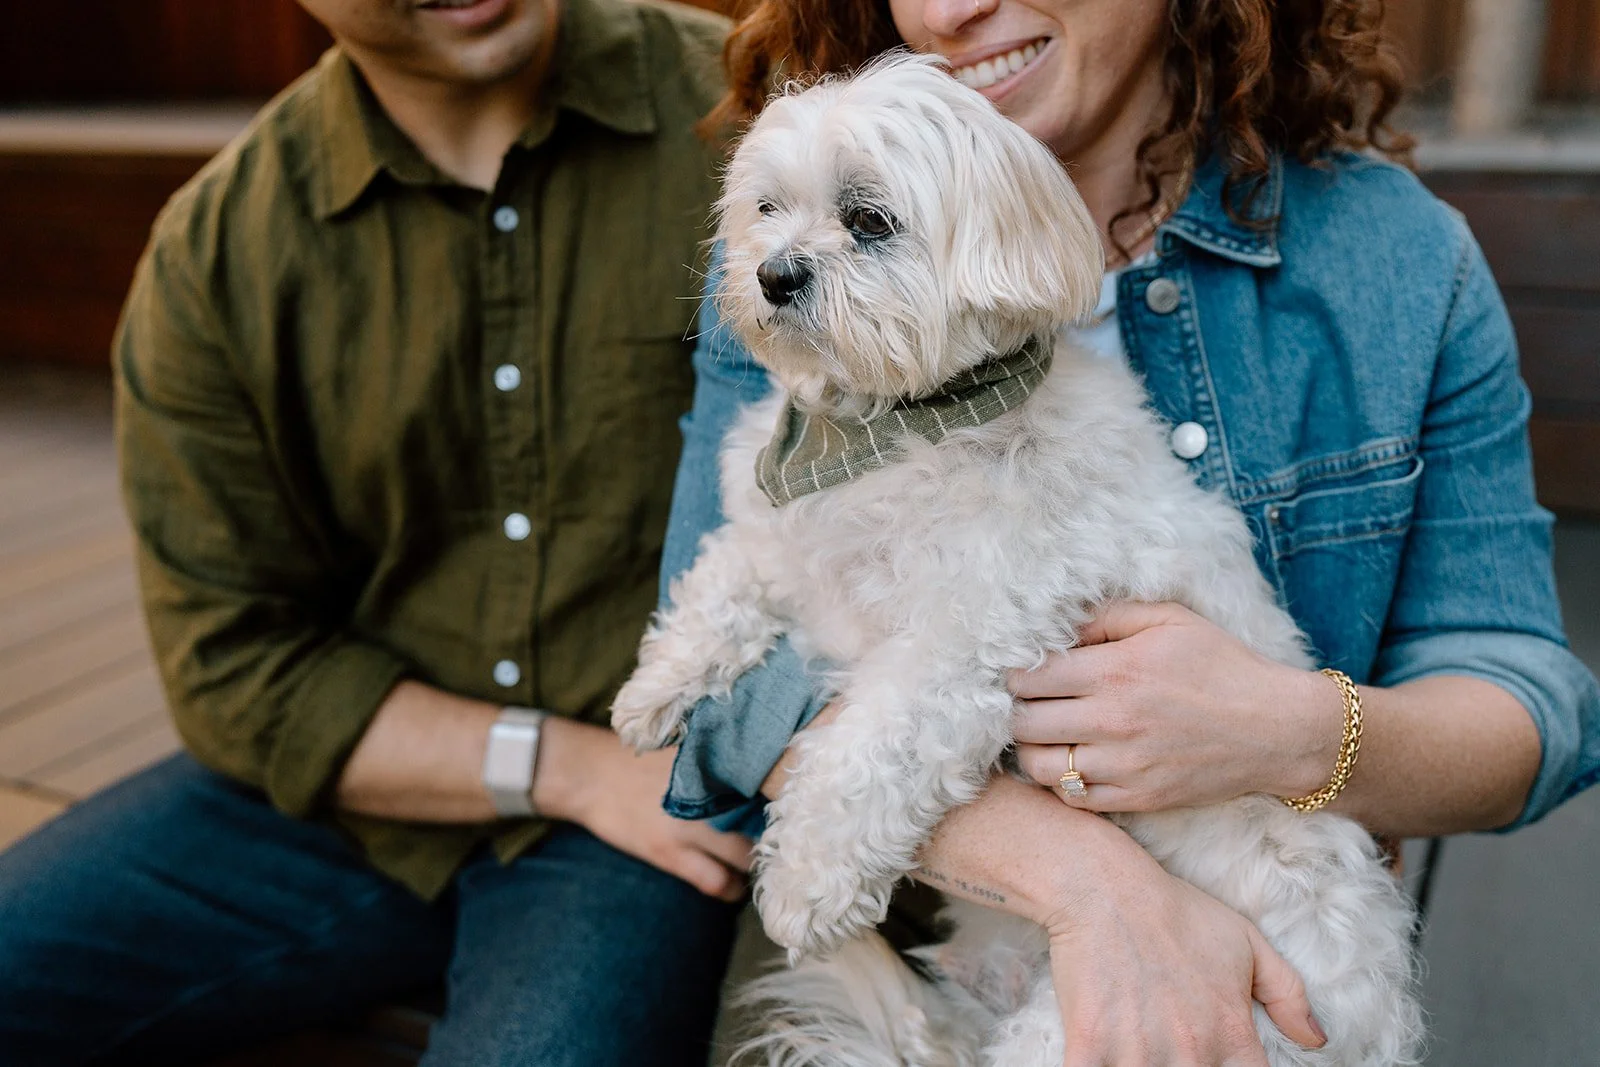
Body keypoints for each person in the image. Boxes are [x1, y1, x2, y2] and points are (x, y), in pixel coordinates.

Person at [659, 0, 1600, 1062]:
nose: (946, 12)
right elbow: (725, 684)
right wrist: (1094, 888)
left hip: (1269, 929)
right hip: (910, 931)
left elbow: (1527, 702)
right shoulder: (789, 256)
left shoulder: (1396, 262)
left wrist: (1284, 730)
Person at [0, 0, 753, 1064]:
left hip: (650, 806)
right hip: (362, 791)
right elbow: (232, 660)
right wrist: (562, 765)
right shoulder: (217, 252)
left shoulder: (750, 103)